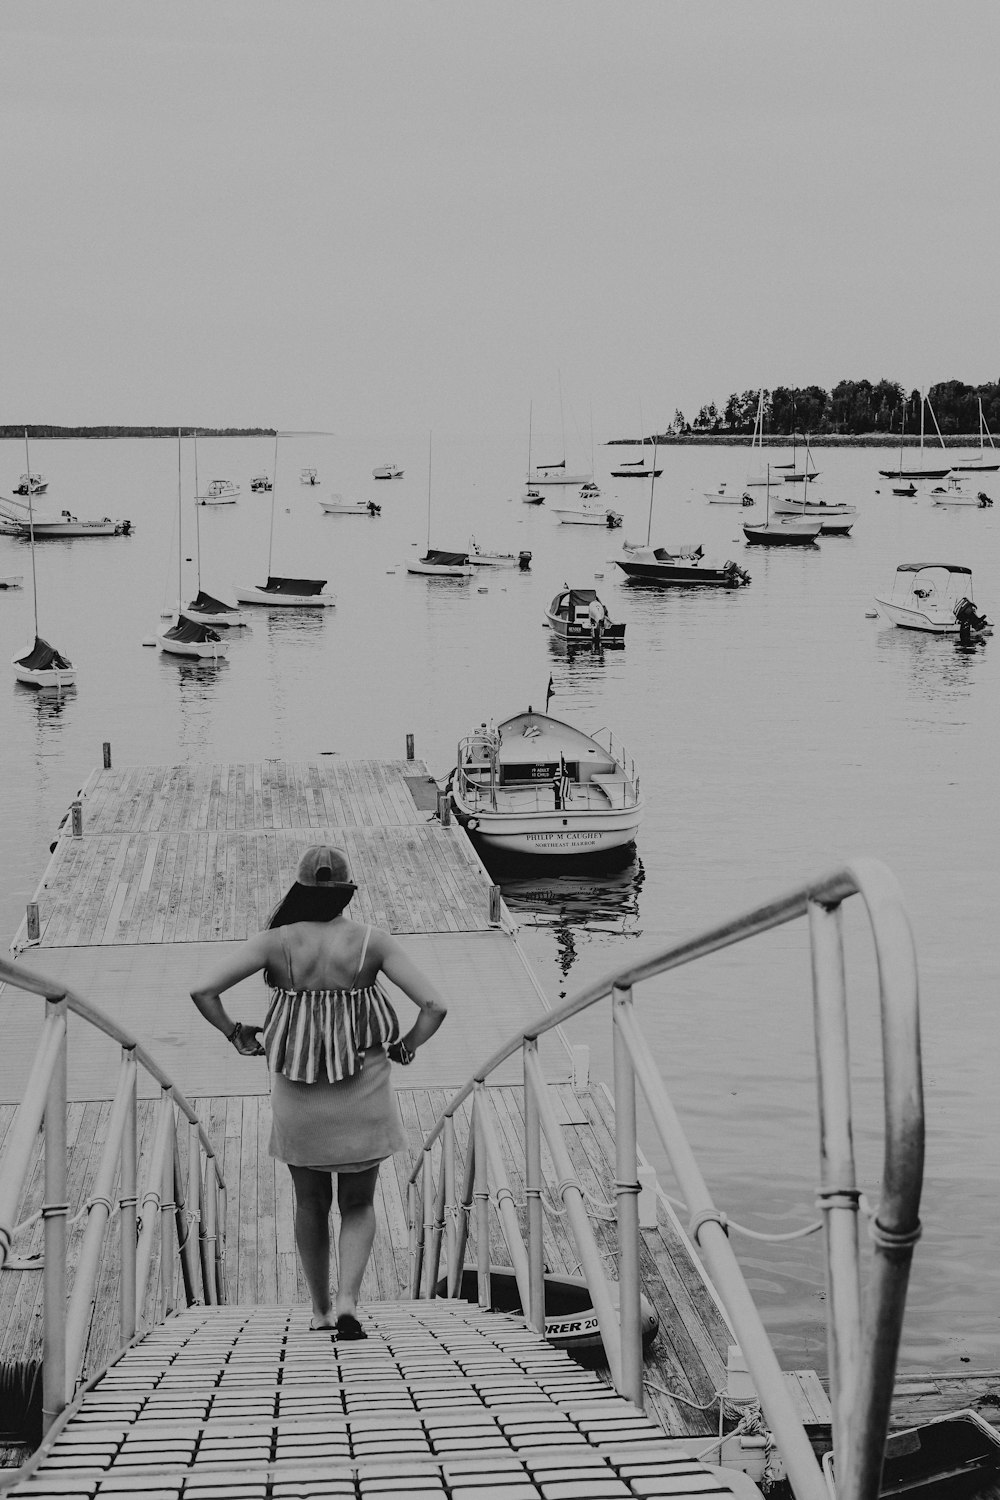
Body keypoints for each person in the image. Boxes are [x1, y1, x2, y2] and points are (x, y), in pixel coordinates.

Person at [190, 846, 447, 1338]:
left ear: (300, 890)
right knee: (359, 1203)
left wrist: (234, 1032)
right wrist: (407, 1047)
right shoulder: (374, 942)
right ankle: (349, 1301)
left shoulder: (276, 942)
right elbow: (434, 1004)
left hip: (298, 1096)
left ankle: (320, 1309)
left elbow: (203, 990)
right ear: (348, 891)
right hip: (364, 1092)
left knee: (309, 1204)